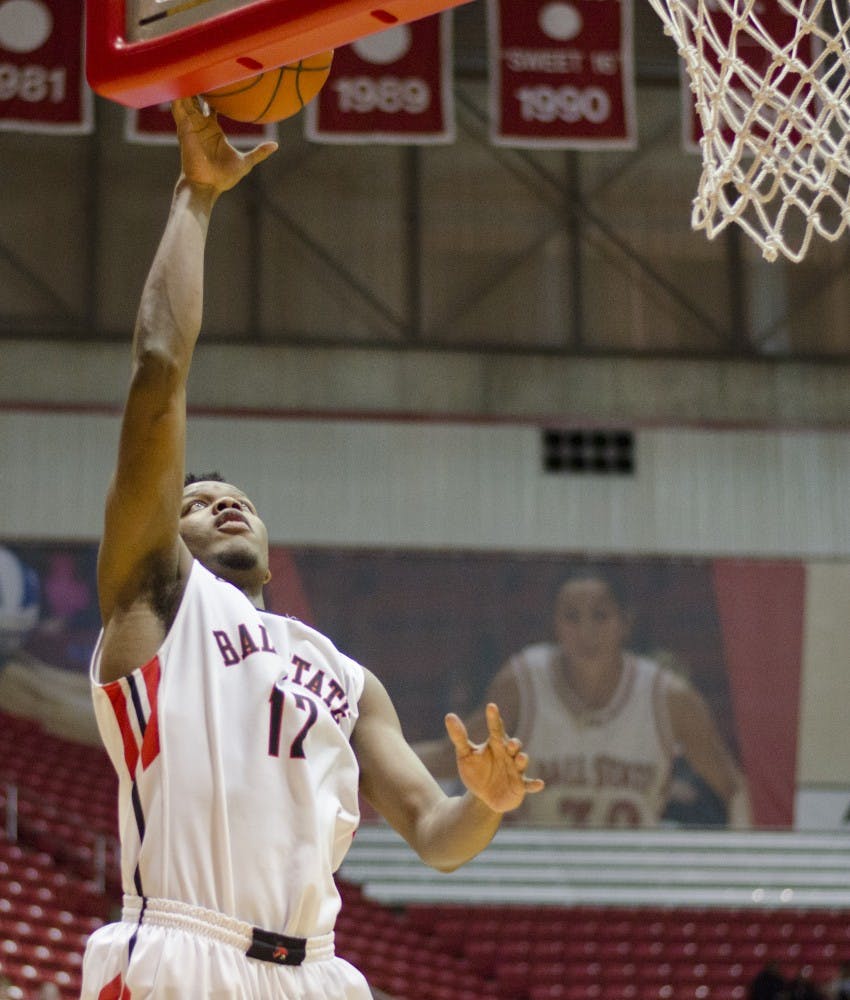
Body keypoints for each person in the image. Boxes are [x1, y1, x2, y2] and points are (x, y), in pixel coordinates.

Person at [79, 98, 543, 1000]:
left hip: (318, 976)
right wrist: (196, 198)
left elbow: (433, 831)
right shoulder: (156, 603)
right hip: (182, 946)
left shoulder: (342, 674)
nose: (223, 506)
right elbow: (158, 371)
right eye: (198, 500)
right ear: (160, 531)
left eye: (238, 500)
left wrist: (486, 805)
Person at [415, 569, 751, 828]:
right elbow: (452, 756)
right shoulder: (524, 682)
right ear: (555, 625)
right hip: (539, 873)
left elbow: (734, 787)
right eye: (572, 617)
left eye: (600, 616)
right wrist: (369, 758)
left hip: (633, 875)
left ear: (625, 622)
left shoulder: (667, 696)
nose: (586, 632)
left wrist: (746, 866)